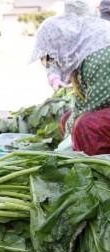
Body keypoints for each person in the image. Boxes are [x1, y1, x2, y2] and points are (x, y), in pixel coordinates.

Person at [32, 12, 110, 154]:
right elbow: (82, 105)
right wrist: (53, 75)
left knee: (87, 125)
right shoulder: (85, 52)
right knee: (68, 119)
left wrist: (69, 141)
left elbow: (95, 106)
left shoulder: (100, 58)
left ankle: (97, 169)